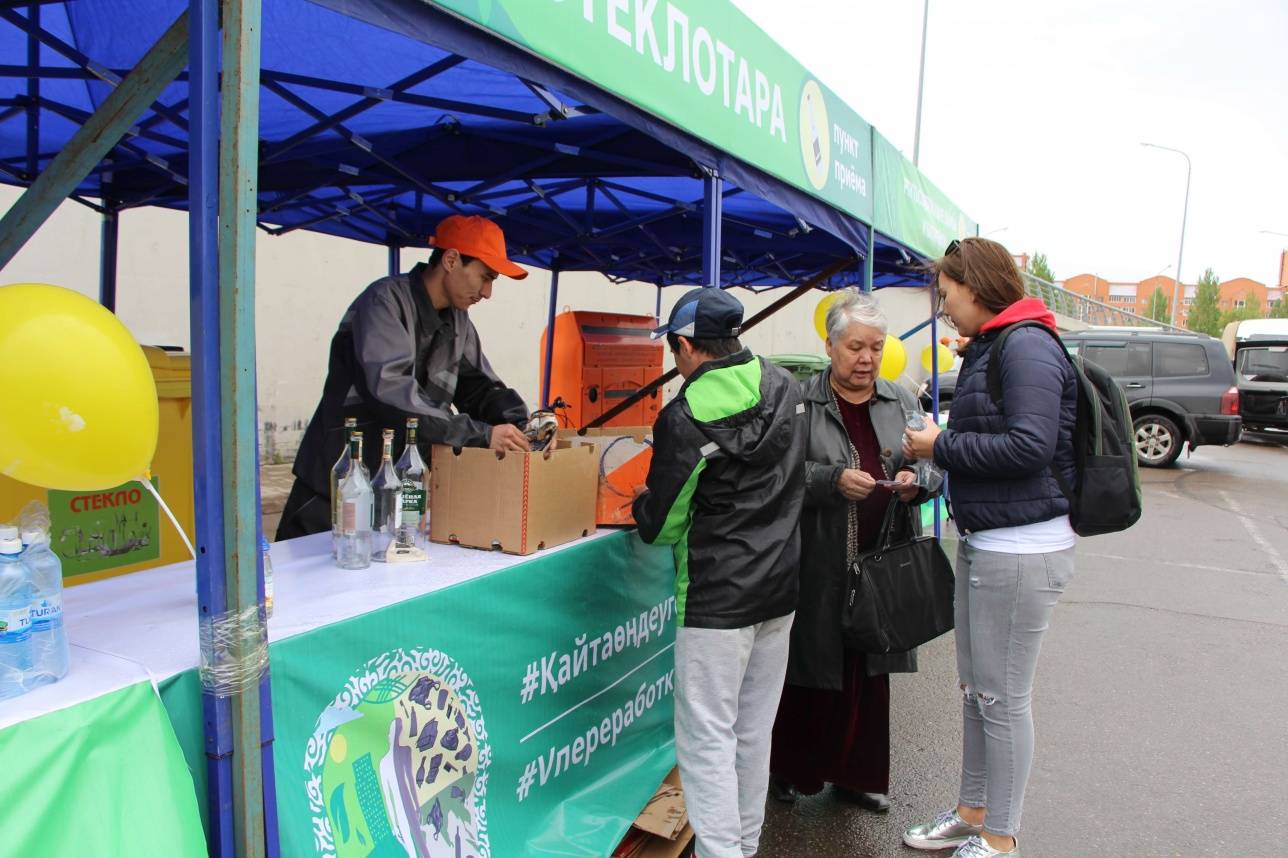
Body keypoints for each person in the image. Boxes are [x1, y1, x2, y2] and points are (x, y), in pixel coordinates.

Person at [902, 238, 1078, 858]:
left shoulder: (1027, 345)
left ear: (976, 287)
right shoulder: (997, 345)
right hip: (991, 542)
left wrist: (939, 447)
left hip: (1023, 550)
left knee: (1002, 700)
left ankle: (1000, 838)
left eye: (948, 297)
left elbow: (1030, 446)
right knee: (978, 694)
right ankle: (972, 812)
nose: (946, 311)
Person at [632, 287, 807, 858]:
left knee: (707, 738)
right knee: (753, 734)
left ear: (686, 346)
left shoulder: (683, 418)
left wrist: (642, 501)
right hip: (779, 589)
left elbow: (661, 527)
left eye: (673, 349)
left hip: (715, 597)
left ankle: (721, 853)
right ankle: (743, 846)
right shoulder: (784, 386)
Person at [768, 289, 941, 813]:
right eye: (855, 347)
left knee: (870, 673)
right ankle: (792, 773)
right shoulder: (800, 402)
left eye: (875, 347)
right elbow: (775, 475)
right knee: (810, 669)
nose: (866, 359)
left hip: (882, 560)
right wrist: (829, 480)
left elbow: (937, 464)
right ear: (830, 345)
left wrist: (920, 481)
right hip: (818, 560)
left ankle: (858, 776)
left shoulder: (901, 400)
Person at [277, 215, 532, 541]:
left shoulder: (459, 323)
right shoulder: (384, 302)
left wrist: (525, 426)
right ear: (451, 260)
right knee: (301, 580)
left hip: (396, 486)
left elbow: (479, 388)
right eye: (485, 277)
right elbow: (391, 392)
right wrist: (480, 434)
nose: (488, 292)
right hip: (338, 482)